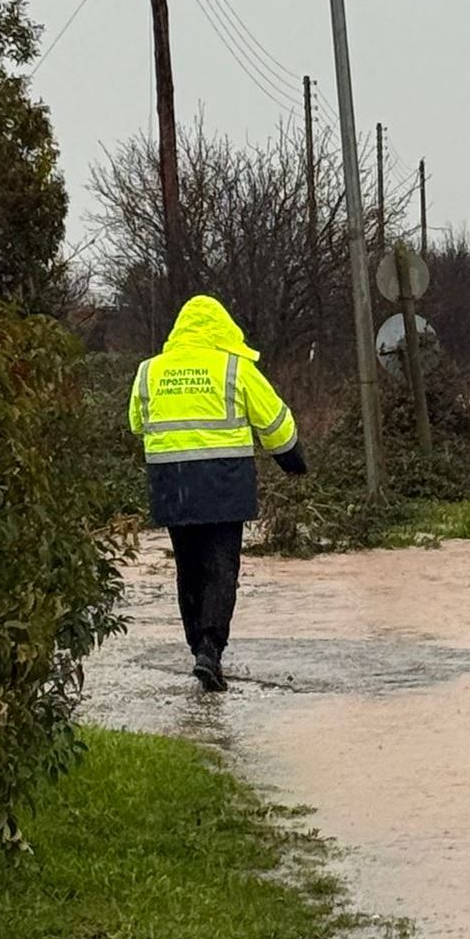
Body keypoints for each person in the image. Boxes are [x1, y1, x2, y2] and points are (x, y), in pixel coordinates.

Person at [128, 296, 306, 691]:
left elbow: (136, 423)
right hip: (224, 484)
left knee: (187, 569)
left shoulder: (148, 371)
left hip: (171, 484)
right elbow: (274, 419)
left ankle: (198, 650)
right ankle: (211, 647)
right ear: (223, 330)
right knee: (221, 568)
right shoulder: (234, 368)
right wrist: (292, 458)